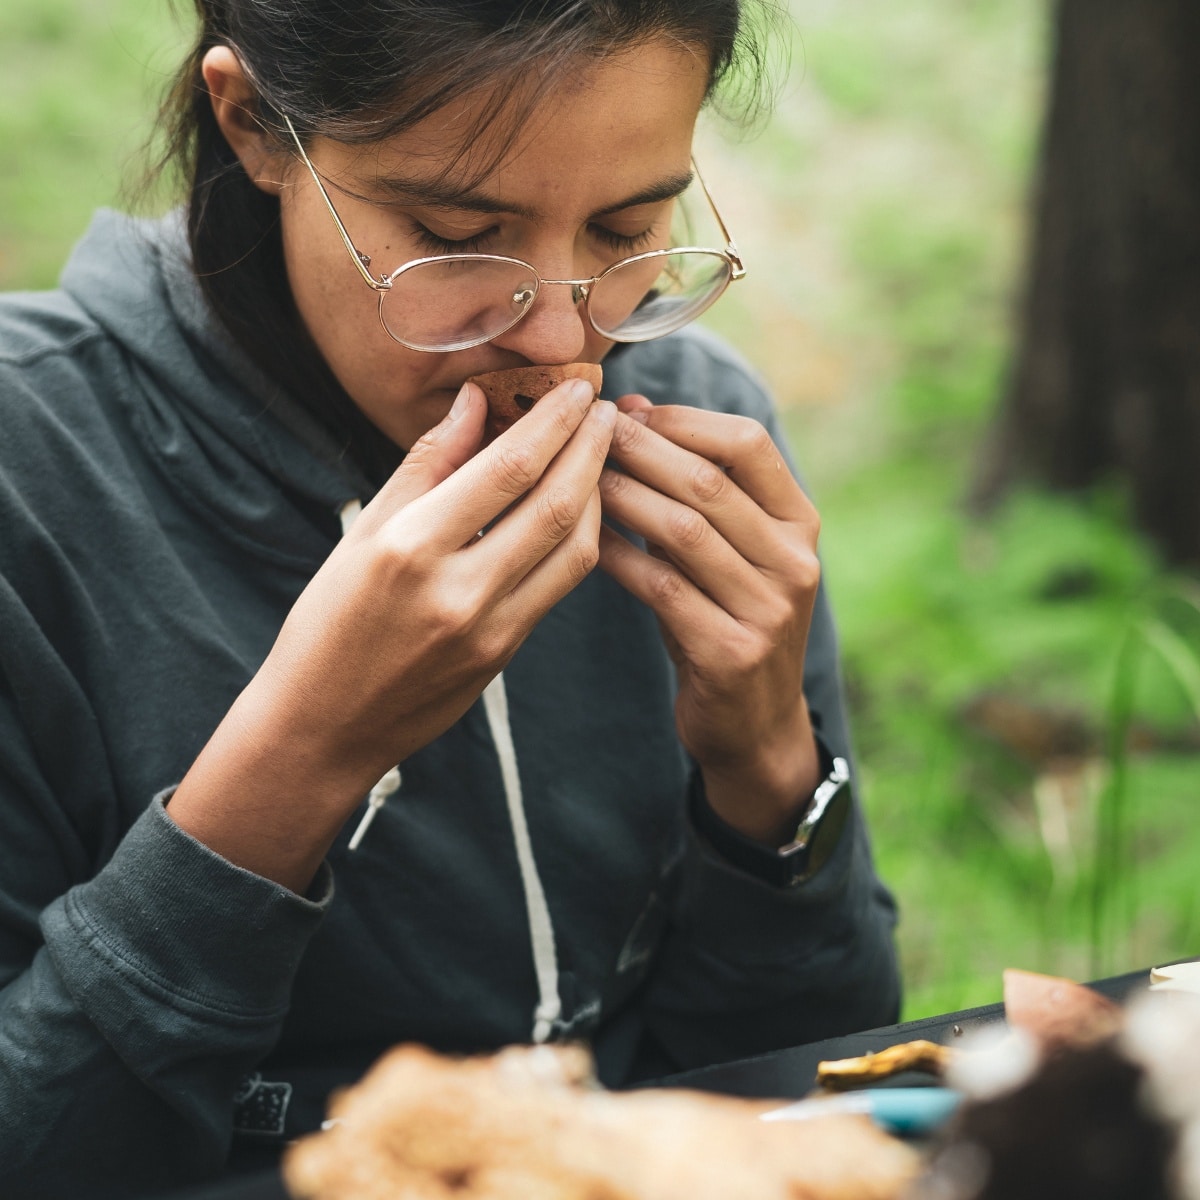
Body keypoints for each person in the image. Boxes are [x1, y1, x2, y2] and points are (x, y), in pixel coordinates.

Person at [0, 1, 900, 1196]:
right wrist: (304, 755)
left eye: (627, 228)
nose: (567, 337)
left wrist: (769, 766)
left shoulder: (692, 417)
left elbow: (817, 1075)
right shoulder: (32, 476)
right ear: (254, 125)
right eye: (460, 236)